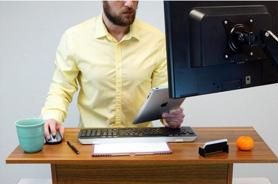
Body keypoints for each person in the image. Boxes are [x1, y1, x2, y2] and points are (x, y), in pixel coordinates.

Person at [41, 0, 185, 139]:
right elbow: (61, 88)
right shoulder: (74, 38)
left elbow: (163, 94)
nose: (129, 3)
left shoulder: (156, 40)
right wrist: (52, 117)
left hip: (142, 140)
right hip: (92, 140)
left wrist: (170, 116)